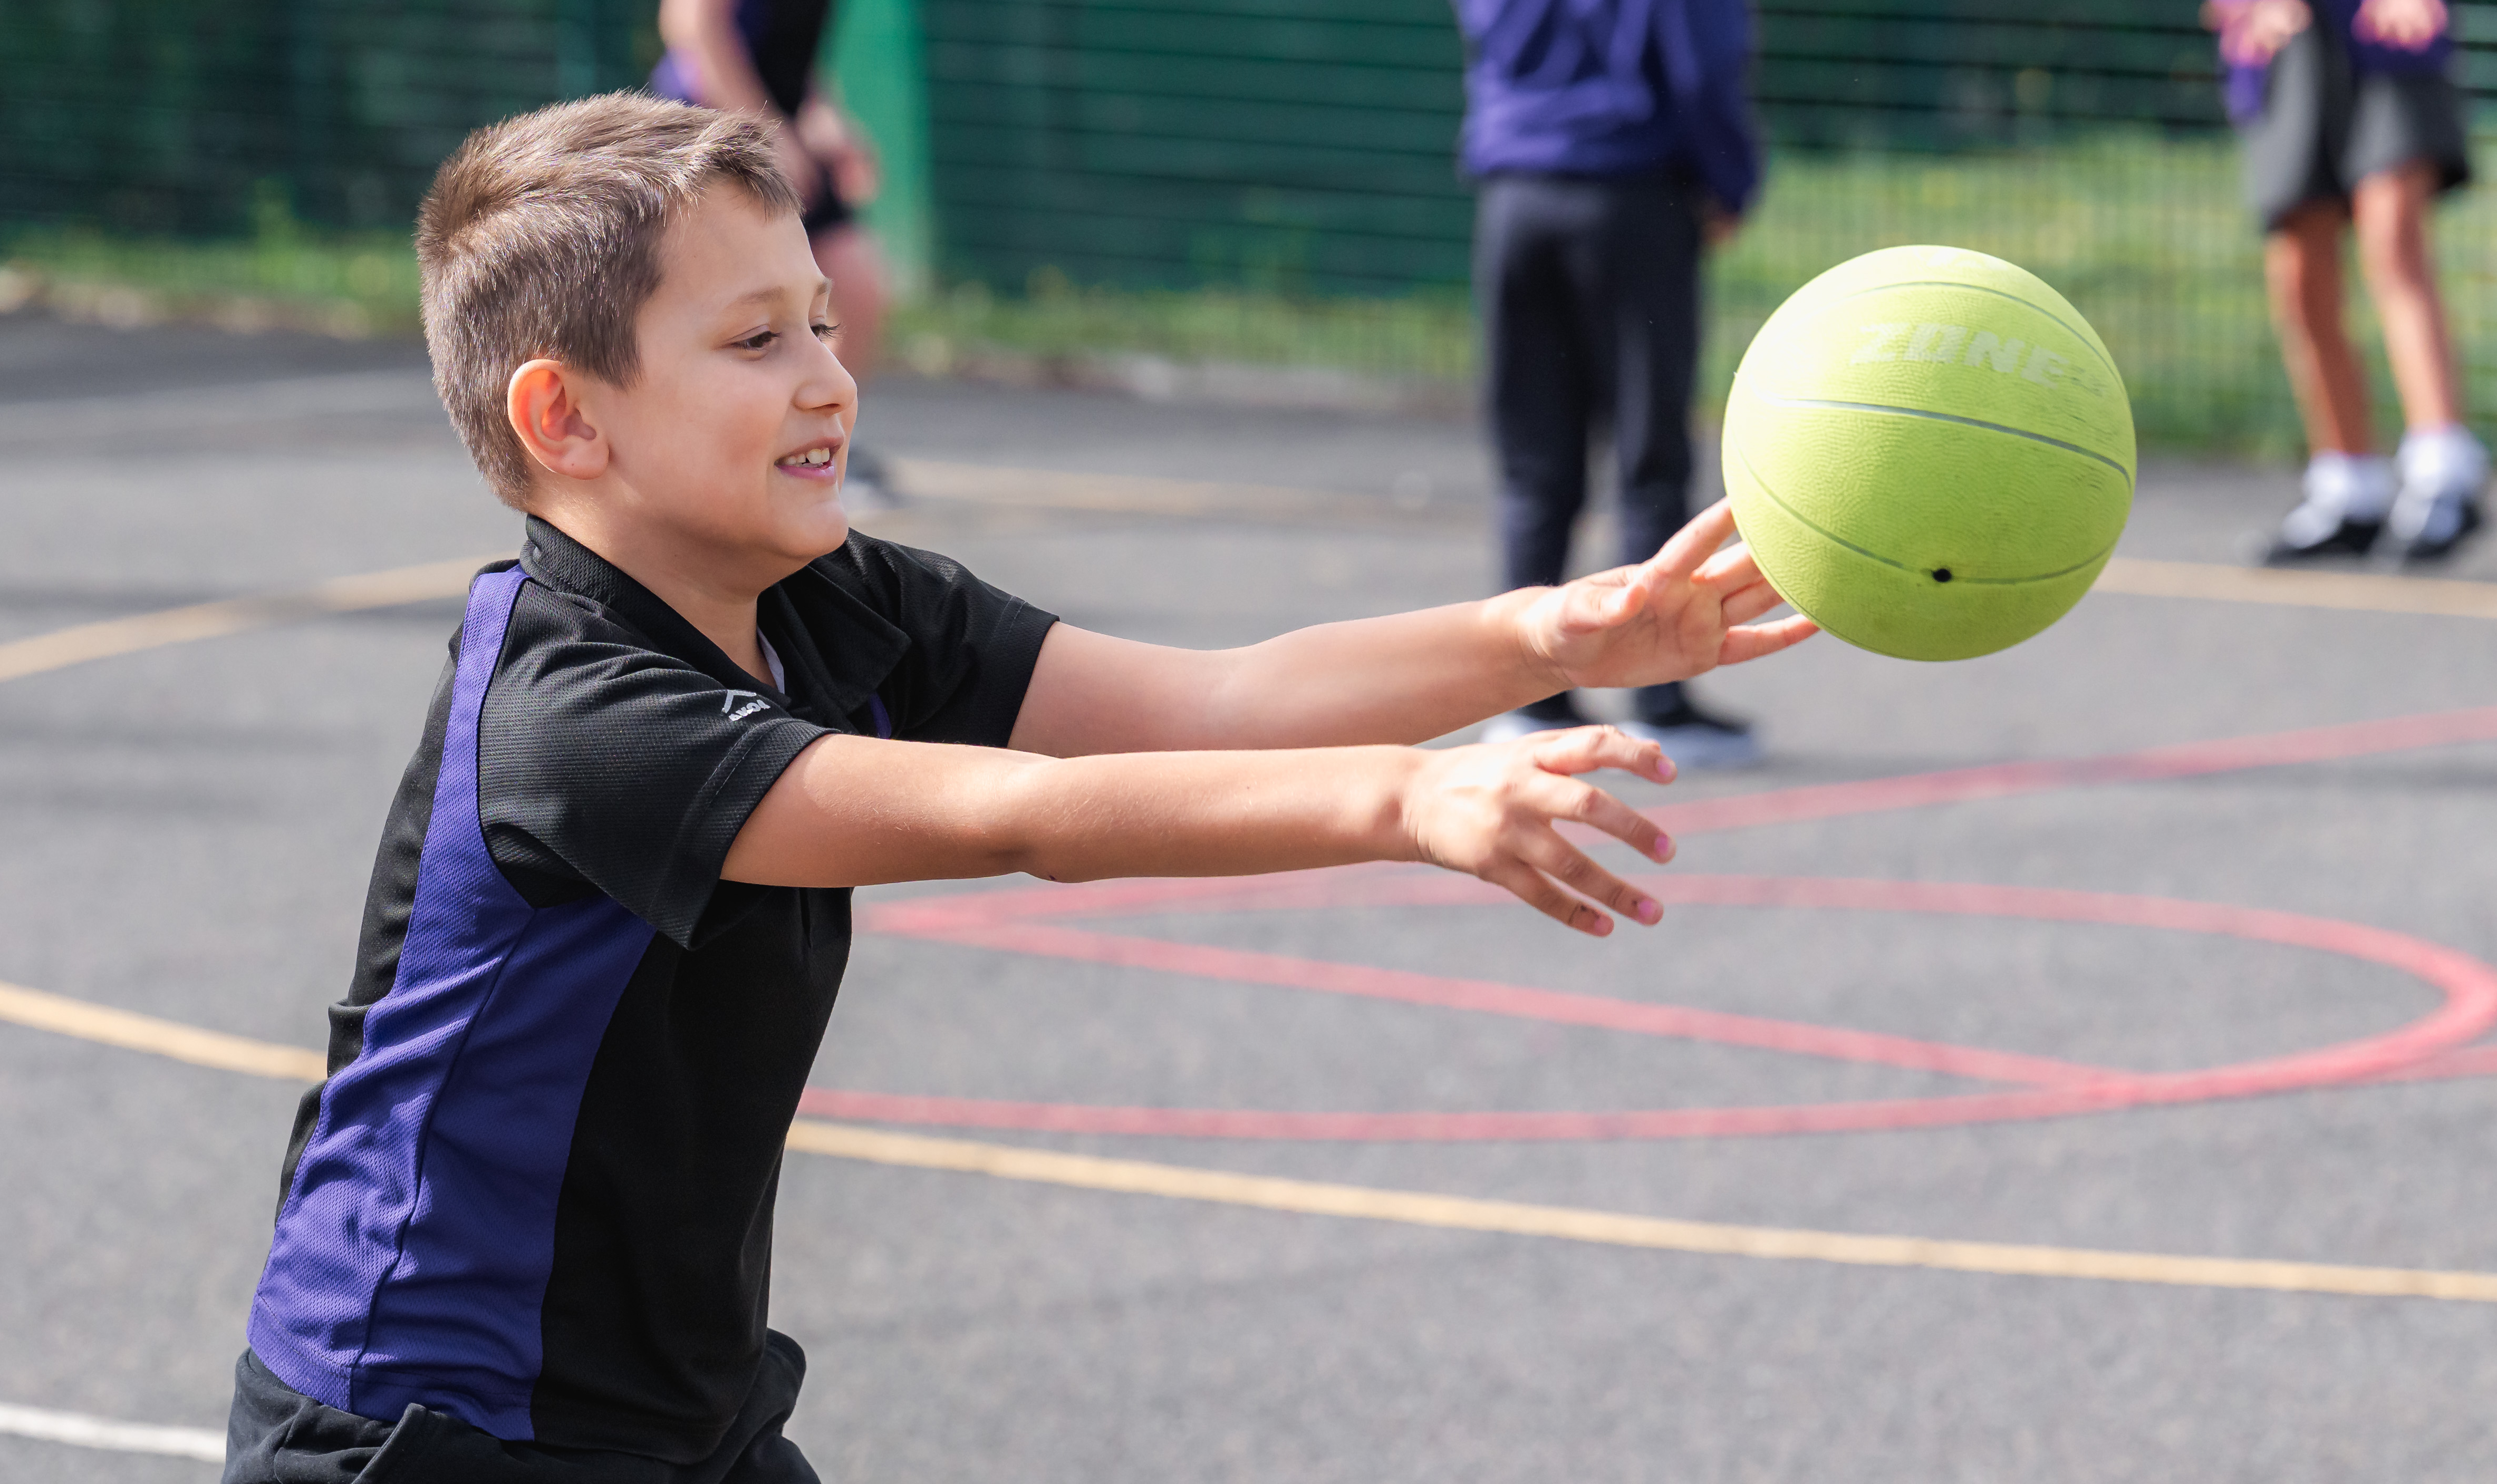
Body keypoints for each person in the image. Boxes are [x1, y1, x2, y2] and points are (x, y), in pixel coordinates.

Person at [224, 93, 1811, 1483]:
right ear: (566, 418)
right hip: (427, 1428)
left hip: (660, 1411)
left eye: (824, 323)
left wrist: (1550, 631)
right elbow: (1025, 815)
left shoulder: (833, 599)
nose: (829, 377)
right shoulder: (579, 720)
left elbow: (1211, 701)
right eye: (755, 340)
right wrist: (1408, 799)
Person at [1438, 0, 1767, 768]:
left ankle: (1527, 695)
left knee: (1536, 451)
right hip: (1629, 192)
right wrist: (1728, 181)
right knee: (1648, 446)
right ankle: (1661, 694)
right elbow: (1702, 58)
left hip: (1514, 194)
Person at [2157, 0, 2484, 565]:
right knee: (2302, 276)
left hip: (2381, 38)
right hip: (2284, 56)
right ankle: (2348, 483)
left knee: (2393, 238)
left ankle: (2443, 469)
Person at [649, 0, 893, 498]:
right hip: (708, 132)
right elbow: (694, 21)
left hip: (769, 125)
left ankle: (799, 459)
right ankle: (746, 467)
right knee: (761, 309)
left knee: (850, 289)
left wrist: (822, 120)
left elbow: (788, 34)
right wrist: (767, 133)